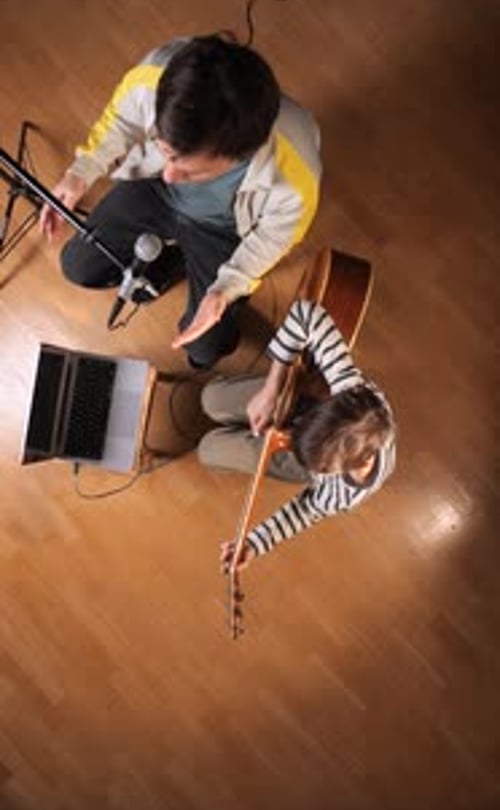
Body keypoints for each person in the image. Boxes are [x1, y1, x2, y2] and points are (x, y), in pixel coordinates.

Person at [40, 34, 322, 369]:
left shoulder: (296, 175)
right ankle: (173, 258)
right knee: (78, 266)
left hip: (224, 230)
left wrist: (225, 290)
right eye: (165, 153)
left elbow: (271, 240)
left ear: (240, 154)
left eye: (190, 170)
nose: (171, 175)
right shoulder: (156, 78)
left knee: (204, 349)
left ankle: (184, 267)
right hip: (151, 191)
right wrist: (81, 172)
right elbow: (122, 121)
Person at [197, 298, 396, 570]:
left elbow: (307, 510)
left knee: (208, 450)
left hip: (303, 458)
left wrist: (255, 543)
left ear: (333, 471)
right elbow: (306, 312)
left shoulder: (342, 495)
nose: (282, 436)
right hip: (302, 405)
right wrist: (271, 388)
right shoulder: (351, 389)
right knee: (210, 398)